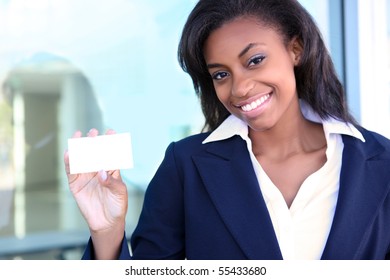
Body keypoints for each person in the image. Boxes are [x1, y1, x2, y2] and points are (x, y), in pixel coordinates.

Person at [64, 0, 390, 260]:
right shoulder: (185, 165)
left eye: (255, 60)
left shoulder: (382, 162)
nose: (241, 88)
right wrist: (107, 231)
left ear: (296, 49)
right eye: (221, 74)